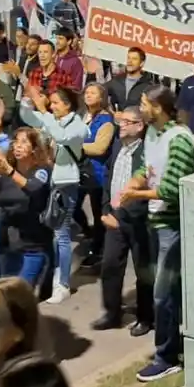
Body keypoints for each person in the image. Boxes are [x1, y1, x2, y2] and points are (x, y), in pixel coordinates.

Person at [118, 87, 194, 382]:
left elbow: (172, 188)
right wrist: (135, 180)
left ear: (158, 107)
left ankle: (166, 357)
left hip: (175, 224)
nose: (141, 109)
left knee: (163, 294)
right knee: (171, 292)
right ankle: (180, 347)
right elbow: (149, 167)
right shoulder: (155, 135)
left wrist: (136, 194)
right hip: (159, 223)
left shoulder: (179, 139)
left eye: (144, 104)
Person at [20, 84, 88, 305]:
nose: (52, 105)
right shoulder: (54, 120)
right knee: (52, 231)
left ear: (67, 105)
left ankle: (63, 284)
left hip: (66, 182)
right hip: (51, 180)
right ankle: (53, 275)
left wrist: (44, 111)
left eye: (56, 102)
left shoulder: (77, 126)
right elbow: (28, 118)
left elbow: (61, 137)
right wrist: (29, 100)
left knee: (62, 234)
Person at [93, 106, 153, 336]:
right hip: (115, 217)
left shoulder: (147, 151)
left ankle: (145, 318)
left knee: (143, 271)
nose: (122, 125)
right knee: (110, 265)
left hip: (139, 220)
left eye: (127, 122)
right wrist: (106, 209)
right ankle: (111, 313)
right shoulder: (118, 146)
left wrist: (133, 212)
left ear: (140, 126)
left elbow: (149, 185)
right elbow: (109, 176)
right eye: (121, 121)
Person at [0, 124, 54, 288]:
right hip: (8, 241)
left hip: (32, 244)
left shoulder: (42, 170)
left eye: (24, 142)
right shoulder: (5, 171)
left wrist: (9, 171)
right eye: (16, 141)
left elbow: (33, 188)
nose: (18, 145)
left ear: (34, 148)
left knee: (21, 292)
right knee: (6, 291)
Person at [78, 83, 116, 268]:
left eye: (93, 93)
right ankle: (87, 232)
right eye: (87, 92)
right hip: (79, 171)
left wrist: (77, 146)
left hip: (97, 174)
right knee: (72, 206)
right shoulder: (83, 116)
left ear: (101, 98)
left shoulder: (106, 121)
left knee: (98, 212)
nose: (88, 95)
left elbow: (100, 147)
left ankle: (97, 249)